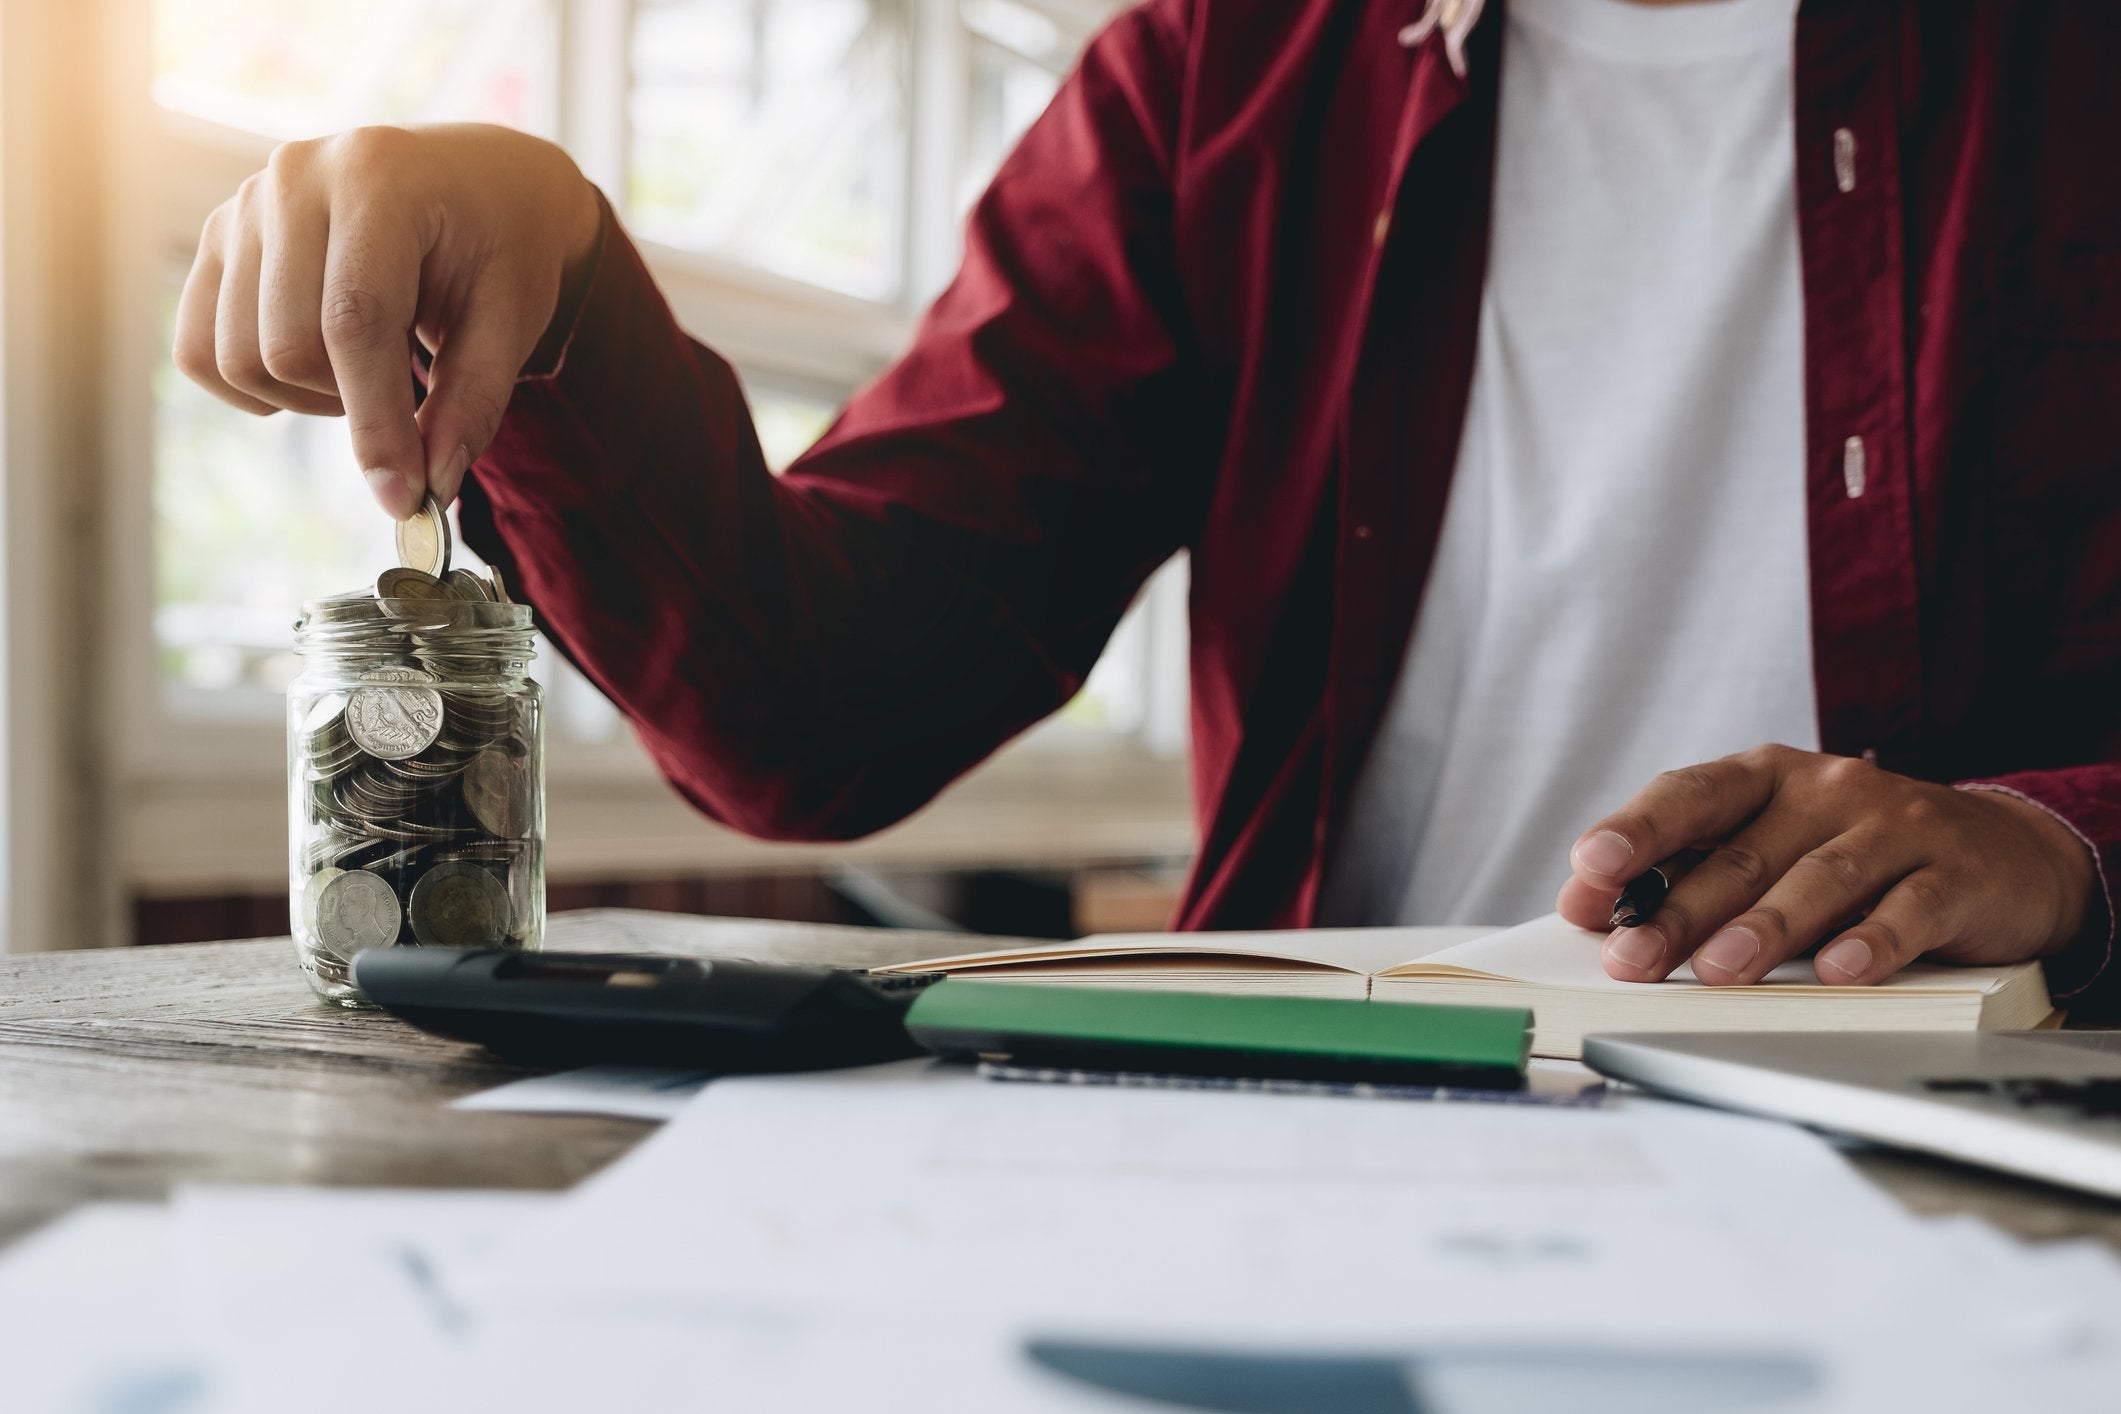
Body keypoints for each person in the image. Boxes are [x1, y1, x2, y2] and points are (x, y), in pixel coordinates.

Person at [174, 0, 2120, 1006]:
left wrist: (2058, 849)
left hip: (1972, 1186)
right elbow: (814, 707)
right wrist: (562, 284)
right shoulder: (1223, 71)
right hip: (1300, 1152)